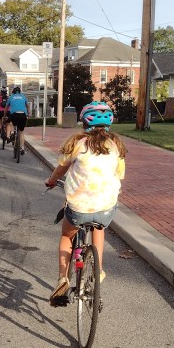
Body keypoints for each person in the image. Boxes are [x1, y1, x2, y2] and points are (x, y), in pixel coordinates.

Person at [44, 101, 126, 306]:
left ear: (84, 122)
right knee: (99, 228)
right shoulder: (116, 146)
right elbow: (119, 174)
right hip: (105, 207)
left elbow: (61, 169)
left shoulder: (77, 144)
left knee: (66, 235)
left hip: (79, 207)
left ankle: (63, 279)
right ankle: (98, 270)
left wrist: (52, 181)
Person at [4, 86, 29, 155]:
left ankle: (12, 133)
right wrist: (28, 115)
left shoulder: (11, 97)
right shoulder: (23, 97)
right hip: (23, 115)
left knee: (11, 122)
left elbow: (6, 108)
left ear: (13, 92)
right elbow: (28, 106)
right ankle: (22, 148)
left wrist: (5, 116)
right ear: (19, 92)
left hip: (14, 114)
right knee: (21, 132)